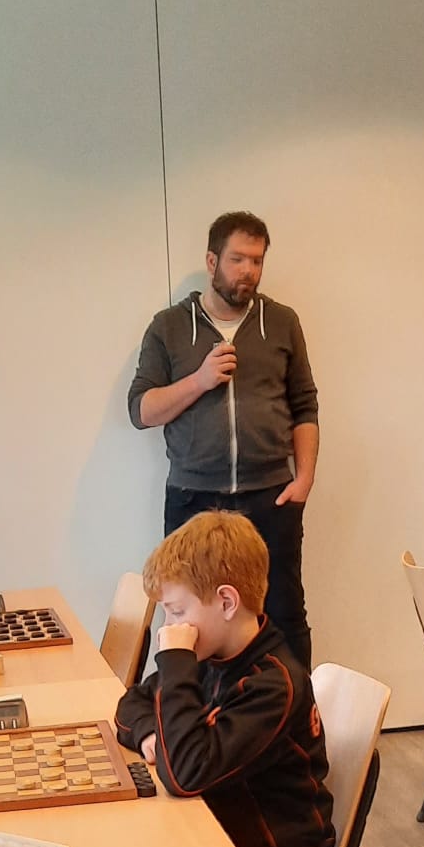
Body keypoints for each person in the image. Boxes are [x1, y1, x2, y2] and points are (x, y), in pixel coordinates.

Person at [114, 510, 335, 847]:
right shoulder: (208, 656)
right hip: (215, 833)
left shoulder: (272, 685)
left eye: (176, 612)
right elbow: (130, 705)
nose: (168, 629)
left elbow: (184, 776)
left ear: (227, 602)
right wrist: (150, 736)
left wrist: (175, 660)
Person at [128, 211, 320, 672]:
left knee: (283, 612)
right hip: (193, 499)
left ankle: (296, 708)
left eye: (257, 260)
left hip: (270, 497)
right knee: (190, 617)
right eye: (237, 259)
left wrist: (304, 479)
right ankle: (191, 709)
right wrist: (200, 380)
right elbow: (140, 410)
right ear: (212, 261)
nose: (248, 271)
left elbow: (305, 405)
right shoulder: (169, 327)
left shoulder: (281, 322)